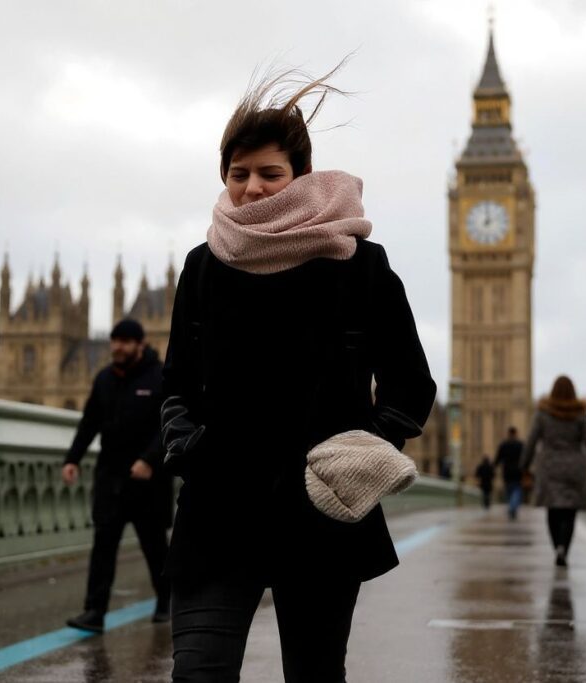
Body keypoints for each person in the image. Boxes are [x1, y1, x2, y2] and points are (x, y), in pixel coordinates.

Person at [159, 64, 436, 683]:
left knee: (314, 674)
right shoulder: (203, 266)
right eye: (238, 174)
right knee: (198, 673)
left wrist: (363, 450)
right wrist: (187, 445)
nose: (252, 188)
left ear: (299, 178)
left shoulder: (358, 263)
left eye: (268, 173)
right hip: (219, 504)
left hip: (321, 507)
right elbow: (175, 381)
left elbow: (411, 382)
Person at [61, 319, 173, 633]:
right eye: (114, 341)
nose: (118, 347)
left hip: (146, 479)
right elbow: (88, 424)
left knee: (155, 547)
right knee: (103, 546)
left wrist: (149, 460)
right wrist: (73, 459)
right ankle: (94, 611)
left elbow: (168, 425)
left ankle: (166, 601)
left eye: (124, 342)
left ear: (140, 344)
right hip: (111, 477)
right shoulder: (105, 379)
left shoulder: (159, 377)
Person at [520, 376, 586, 568]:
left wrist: (524, 466)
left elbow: (531, 441)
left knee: (553, 509)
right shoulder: (580, 414)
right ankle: (564, 547)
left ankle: (557, 545)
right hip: (575, 466)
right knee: (569, 511)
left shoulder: (543, 413)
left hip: (549, 466)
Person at [495, 426, 524, 520]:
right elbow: (525, 457)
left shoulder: (504, 445)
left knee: (509, 491)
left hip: (507, 471)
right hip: (518, 471)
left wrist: (494, 467)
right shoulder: (520, 445)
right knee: (517, 490)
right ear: (515, 433)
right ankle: (513, 507)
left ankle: (511, 507)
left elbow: (498, 458)